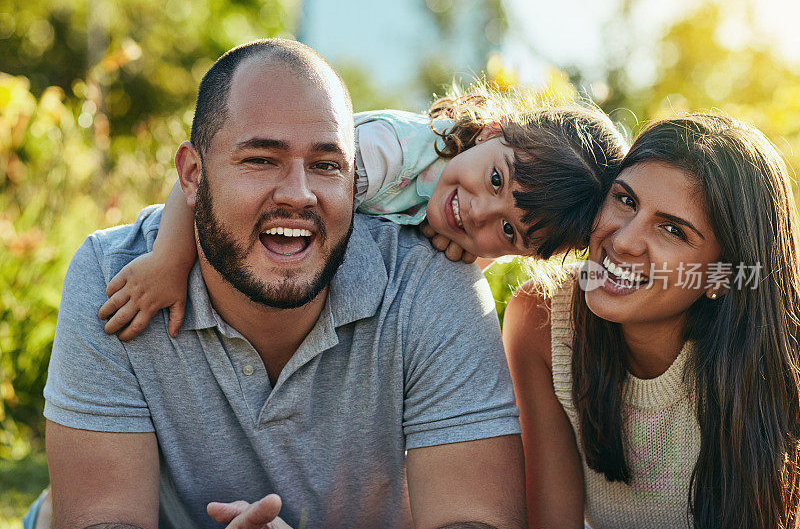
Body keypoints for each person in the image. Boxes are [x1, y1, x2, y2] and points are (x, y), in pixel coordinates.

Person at [41, 38, 528, 529]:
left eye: (325, 165)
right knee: (54, 525)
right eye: (261, 160)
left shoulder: (432, 282)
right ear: (192, 176)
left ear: (354, 176)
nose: (298, 194)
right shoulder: (115, 276)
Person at [492, 113, 800, 529]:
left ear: (720, 276)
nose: (625, 240)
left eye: (673, 231)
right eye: (625, 199)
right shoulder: (544, 320)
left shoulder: (783, 359)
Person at [92, 82, 624, 341]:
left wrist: (463, 252)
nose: (479, 212)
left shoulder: (465, 222)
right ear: (490, 132)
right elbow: (209, 182)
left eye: (508, 230)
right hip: (234, 228)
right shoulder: (388, 152)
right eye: (494, 179)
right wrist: (167, 260)